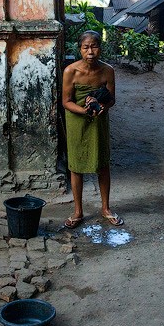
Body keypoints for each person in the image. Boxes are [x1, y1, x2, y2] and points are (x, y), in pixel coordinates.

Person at [61, 30, 123, 228]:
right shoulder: (70, 71)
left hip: (99, 122)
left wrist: (103, 106)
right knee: (76, 166)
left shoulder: (107, 71)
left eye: (94, 46)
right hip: (77, 121)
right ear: (80, 49)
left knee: (102, 163)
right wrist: (84, 111)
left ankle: (105, 208)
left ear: (100, 48)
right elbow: (66, 102)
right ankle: (78, 211)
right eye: (86, 47)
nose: (90, 51)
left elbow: (112, 99)